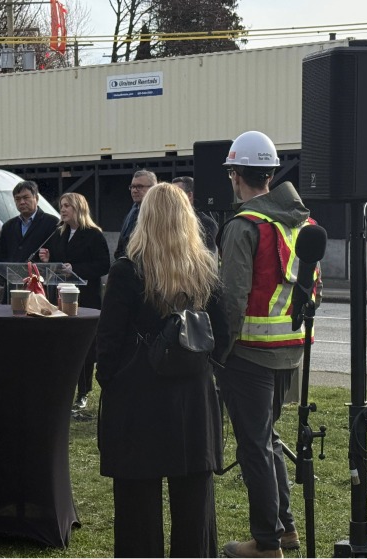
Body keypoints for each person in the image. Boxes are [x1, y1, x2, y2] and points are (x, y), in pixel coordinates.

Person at [96, 183, 222, 557]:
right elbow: (225, 333)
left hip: (138, 397)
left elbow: (108, 343)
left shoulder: (127, 271)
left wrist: (113, 379)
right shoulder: (205, 270)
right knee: (194, 505)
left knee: (137, 509)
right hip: (192, 399)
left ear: (144, 219)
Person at [215, 131, 316, 558]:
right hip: (290, 350)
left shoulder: (244, 226)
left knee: (254, 446)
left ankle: (267, 542)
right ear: (271, 175)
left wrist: (218, 352)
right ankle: (286, 530)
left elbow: (232, 298)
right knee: (268, 439)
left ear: (236, 175)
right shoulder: (301, 222)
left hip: (249, 354)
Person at [38, 192, 111, 410]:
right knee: (65, 344)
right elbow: (59, 263)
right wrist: (48, 260)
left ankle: (84, 392)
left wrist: (76, 269)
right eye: (61, 205)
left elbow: (103, 265)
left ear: (79, 208)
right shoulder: (59, 233)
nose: (62, 210)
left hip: (85, 298)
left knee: (85, 346)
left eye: (67, 206)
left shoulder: (93, 234)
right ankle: (65, 388)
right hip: (60, 296)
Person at [0, 180, 60, 262]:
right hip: (14, 274)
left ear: (36, 198)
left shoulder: (52, 222)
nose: (22, 202)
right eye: (17, 199)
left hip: (40, 273)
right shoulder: (8, 226)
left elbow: (57, 255)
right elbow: (3, 256)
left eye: (26, 198)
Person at [113, 169, 157, 259]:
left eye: (139, 186)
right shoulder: (132, 211)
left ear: (153, 188)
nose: (134, 190)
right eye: (132, 187)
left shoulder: (159, 213)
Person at [172, 175, 219, 256]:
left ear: (189, 195)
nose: (171, 198)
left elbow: (209, 258)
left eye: (176, 193)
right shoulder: (165, 221)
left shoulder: (206, 223)